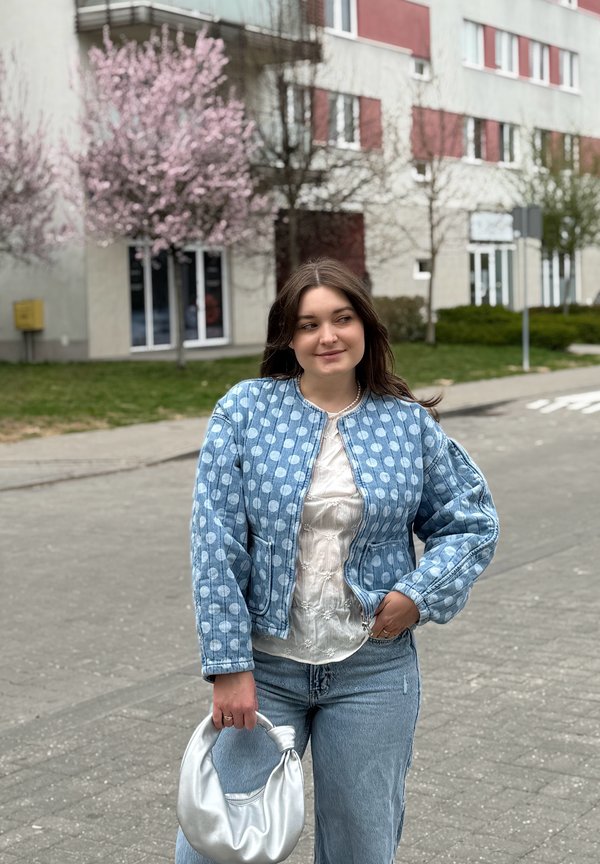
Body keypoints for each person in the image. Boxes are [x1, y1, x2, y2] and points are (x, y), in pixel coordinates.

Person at [176, 257, 499, 864]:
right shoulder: (244, 412)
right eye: (309, 324)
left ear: (364, 327)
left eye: (341, 319)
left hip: (373, 673)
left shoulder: (406, 425)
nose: (327, 336)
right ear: (288, 338)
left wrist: (417, 595)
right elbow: (215, 544)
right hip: (264, 671)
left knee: (361, 848)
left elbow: (472, 522)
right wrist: (228, 666)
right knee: (220, 847)